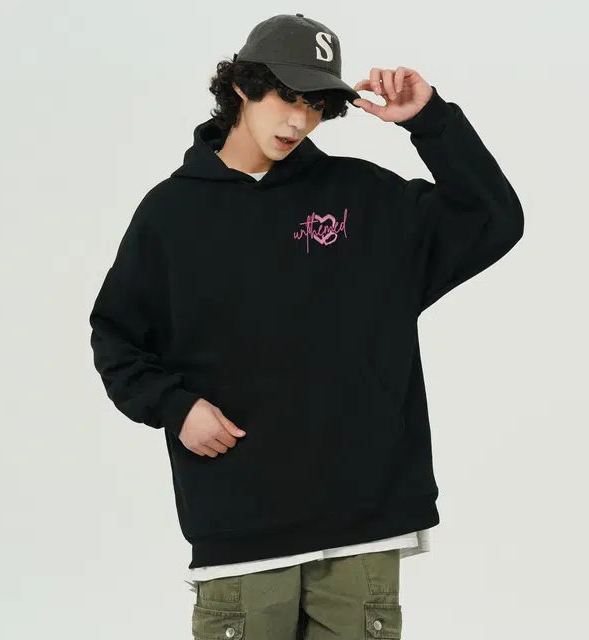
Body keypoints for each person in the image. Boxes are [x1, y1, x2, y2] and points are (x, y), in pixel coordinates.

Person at [88, 12, 524, 639]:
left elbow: (493, 218)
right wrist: (174, 407)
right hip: (241, 527)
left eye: (315, 105)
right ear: (242, 86)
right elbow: (116, 336)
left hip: (364, 521)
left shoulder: (364, 198)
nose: (298, 120)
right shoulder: (171, 213)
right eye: (286, 97)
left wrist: (430, 121)